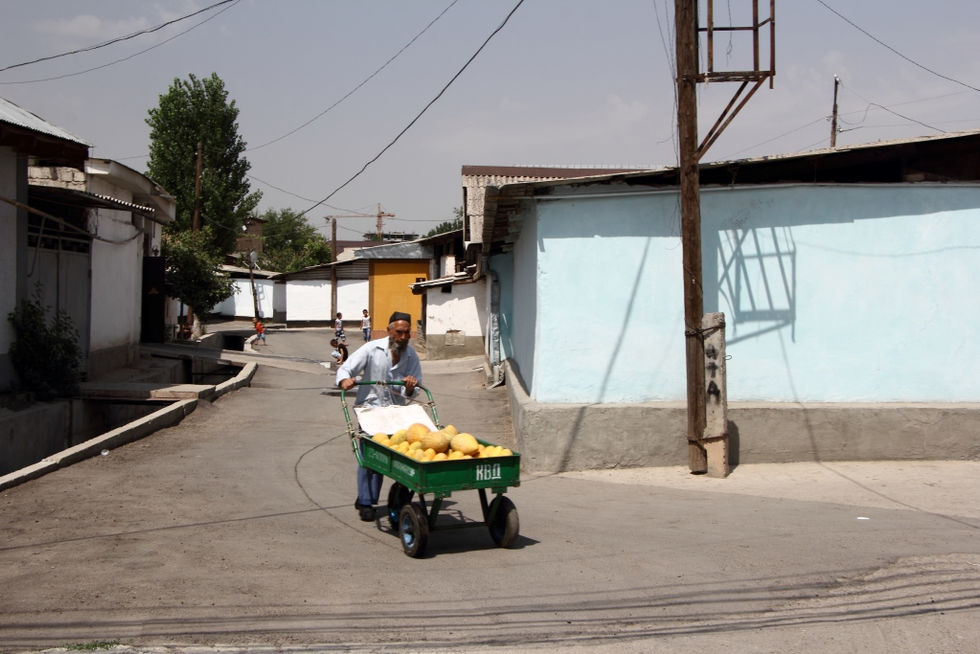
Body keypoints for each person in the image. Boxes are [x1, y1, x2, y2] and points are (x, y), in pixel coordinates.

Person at [337, 311, 421, 521]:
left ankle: (384, 497)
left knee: (393, 458)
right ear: (389, 330)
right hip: (370, 411)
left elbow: (414, 388)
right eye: (399, 332)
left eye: (406, 333)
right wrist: (344, 381)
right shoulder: (372, 349)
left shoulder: (411, 356)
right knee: (371, 458)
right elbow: (347, 368)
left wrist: (410, 388)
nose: (402, 338)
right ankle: (366, 501)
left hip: (395, 414)